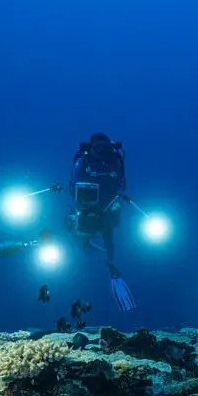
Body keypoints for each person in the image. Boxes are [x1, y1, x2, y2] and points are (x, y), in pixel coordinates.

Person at [64, 132, 136, 312]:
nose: (103, 152)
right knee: (77, 224)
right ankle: (84, 247)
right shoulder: (83, 162)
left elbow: (121, 184)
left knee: (109, 226)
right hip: (87, 207)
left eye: (106, 148)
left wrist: (115, 198)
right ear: (92, 147)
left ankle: (110, 262)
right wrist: (86, 204)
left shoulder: (115, 160)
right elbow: (74, 188)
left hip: (108, 205)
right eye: (99, 148)